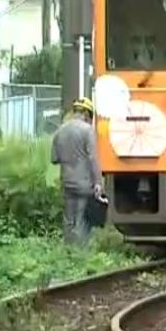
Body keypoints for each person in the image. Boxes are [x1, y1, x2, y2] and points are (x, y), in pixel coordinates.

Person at [50, 97, 104, 245]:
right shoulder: (87, 131)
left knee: (69, 219)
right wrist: (98, 182)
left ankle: (68, 250)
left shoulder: (60, 131)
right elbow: (93, 158)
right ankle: (81, 254)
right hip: (85, 183)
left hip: (67, 182)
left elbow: (54, 159)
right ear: (87, 114)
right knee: (82, 219)